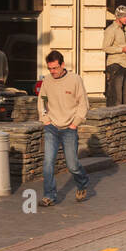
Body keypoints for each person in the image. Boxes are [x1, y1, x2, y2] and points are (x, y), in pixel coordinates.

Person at [37, 49, 90, 205]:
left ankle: (82, 183)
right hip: (51, 127)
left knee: (72, 165)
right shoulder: (47, 80)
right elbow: (42, 100)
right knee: (48, 163)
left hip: (69, 128)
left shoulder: (75, 80)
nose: (52, 71)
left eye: (55, 68)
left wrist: (75, 123)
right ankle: (49, 196)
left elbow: (83, 103)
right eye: (50, 68)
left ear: (62, 65)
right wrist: (44, 118)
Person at [103, 5, 126, 105]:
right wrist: (122, 49)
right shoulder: (111, 30)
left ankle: (124, 119)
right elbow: (105, 47)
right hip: (115, 65)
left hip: (125, 64)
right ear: (118, 17)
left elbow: (122, 45)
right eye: (124, 16)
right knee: (116, 96)